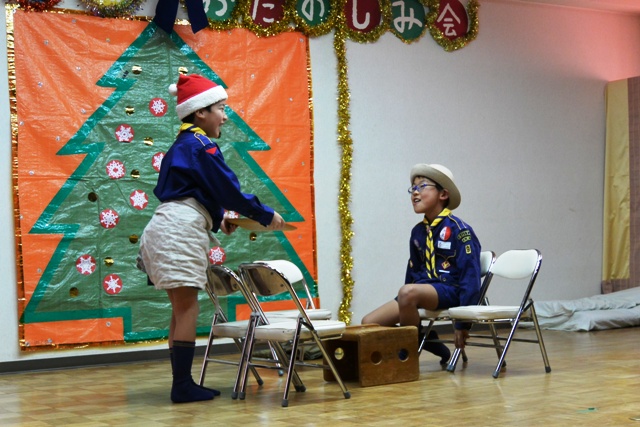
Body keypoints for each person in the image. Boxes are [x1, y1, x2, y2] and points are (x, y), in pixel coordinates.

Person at [137, 74, 285, 403]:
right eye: (221, 109)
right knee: (187, 308)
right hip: (179, 231)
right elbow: (227, 189)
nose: (225, 116)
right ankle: (182, 385)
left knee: (179, 309)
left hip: (164, 227)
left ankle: (182, 383)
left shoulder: (182, 145)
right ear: (201, 112)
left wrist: (218, 218)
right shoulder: (201, 145)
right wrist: (264, 214)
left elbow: (193, 191)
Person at [361, 163, 481, 365]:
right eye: (413, 188)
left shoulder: (460, 230)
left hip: (450, 290)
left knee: (408, 292)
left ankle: (408, 353)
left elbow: (471, 279)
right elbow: (413, 271)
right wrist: (406, 300)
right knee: (369, 323)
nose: (415, 193)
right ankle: (427, 338)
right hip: (421, 291)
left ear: (443, 194)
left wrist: (462, 323)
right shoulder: (418, 232)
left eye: (422, 186)